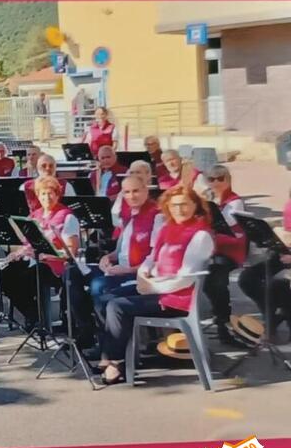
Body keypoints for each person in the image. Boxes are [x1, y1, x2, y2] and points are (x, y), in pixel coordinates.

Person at [99, 185, 214, 385]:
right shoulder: (167, 228)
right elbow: (151, 259)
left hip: (175, 299)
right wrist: (143, 275)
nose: (179, 209)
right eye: (174, 205)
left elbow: (186, 279)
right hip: (156, 287)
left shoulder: (200, 236)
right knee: (104, 297)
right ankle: (123, 356)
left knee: (116, 306)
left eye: (185, 205)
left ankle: (115, 363)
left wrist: (151, 287)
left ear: (196, 206)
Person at [66, 176, 164, 349]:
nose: (132, 196)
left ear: (146, 191)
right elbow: (119, 251)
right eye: (127, 192)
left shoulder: (156, 217)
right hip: (118, 269)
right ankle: (87, 330)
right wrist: (107, 258)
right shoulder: (129, 216)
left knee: (98, 286)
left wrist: (127, 270)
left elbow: (156, 259)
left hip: (137, 274)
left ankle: (108, 345)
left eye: (136, 191)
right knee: (72, 273)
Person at [1, 176, 80, 329]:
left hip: (54, 265)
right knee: (5, 276)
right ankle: (32, 314)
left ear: (57, 194)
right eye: (43, 194)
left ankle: (41, 319)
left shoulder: (67, 216)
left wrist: (45, 256)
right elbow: (27, 243)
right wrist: (18, 253)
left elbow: (70, 252)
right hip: (33, 261)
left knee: (30, 277)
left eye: (51, 193)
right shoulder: (34, 215)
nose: (46, 197)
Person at [202, 165, 247, 344]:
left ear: (228, 180)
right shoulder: (209, 199)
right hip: (213, 247)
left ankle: (224, 323)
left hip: (231, 248)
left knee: (217, 280)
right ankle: (219, 315)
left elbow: (227, 223)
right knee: (205, 282)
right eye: (211, 179)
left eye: (221, 178)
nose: (216, 182)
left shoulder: (235, 201)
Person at [111, 160, 154, 227]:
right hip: (125, 230)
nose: (134, 175)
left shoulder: (159, 191)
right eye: (131, 172)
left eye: (138, 172)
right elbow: (114, 216)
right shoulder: (123, 192)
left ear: (148, 174)